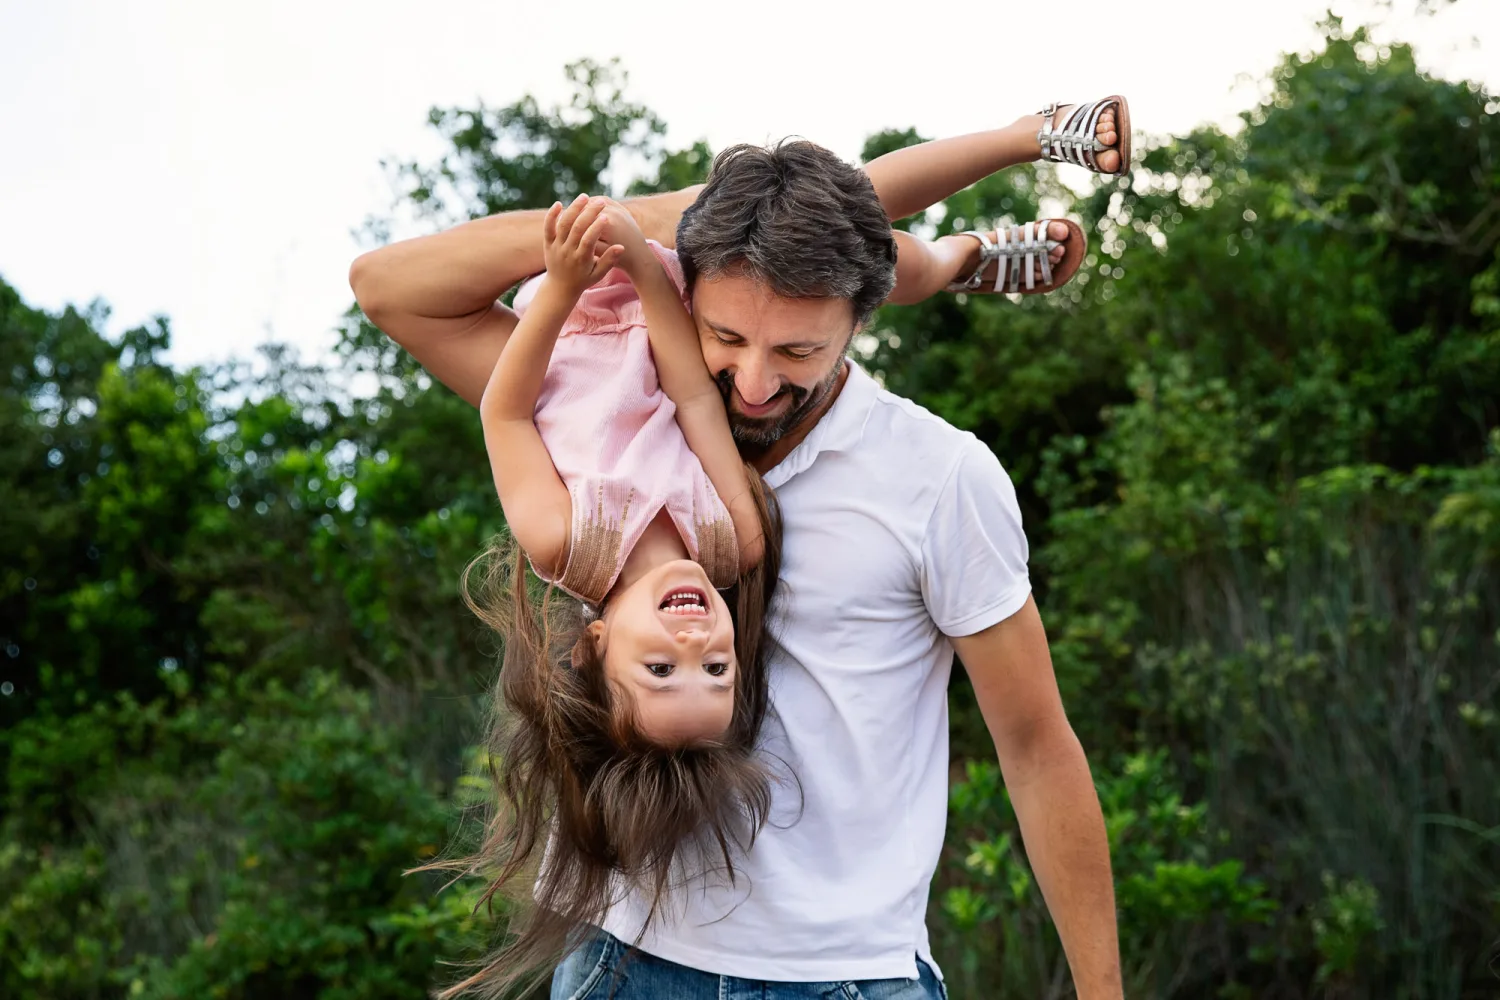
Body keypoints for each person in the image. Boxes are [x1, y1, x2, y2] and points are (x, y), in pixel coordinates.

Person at [351, 97, 1131, 1000]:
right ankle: (944, 245)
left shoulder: (941, 478)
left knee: (847, 219)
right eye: (723, 338)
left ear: (858, 325)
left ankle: (955, 254)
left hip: (847, 980)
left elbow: (1036, 747)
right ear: (690, 299)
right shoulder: (618, 399)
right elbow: (385, 286)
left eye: (798, 351)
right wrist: (647, 227)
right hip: (624, 963)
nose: (754, 387)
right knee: (818, 209)